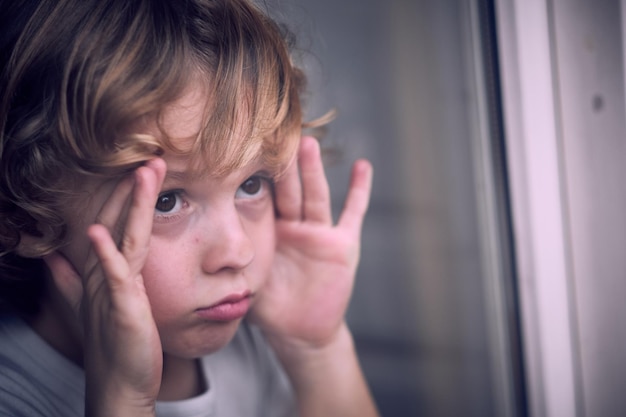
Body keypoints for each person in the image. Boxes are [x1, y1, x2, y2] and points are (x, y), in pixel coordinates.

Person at [0, 0, 379, 416]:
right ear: (28, 216)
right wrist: (124, 401)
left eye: (250, 185)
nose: (238, 253)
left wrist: (316, 351)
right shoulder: (14, 396)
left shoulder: (260, 344)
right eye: (166, 201)